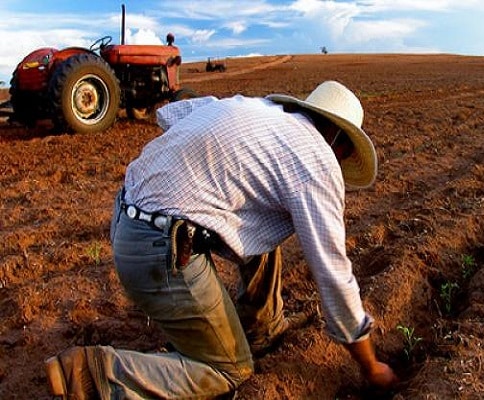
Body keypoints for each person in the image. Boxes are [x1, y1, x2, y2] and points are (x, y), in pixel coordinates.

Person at [45, 80, 399, 399]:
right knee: (230, 370)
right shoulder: (317, 162)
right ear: (340, 143)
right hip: (161, 250)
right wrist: (371, 366)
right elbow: (333, 273)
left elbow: (172, 114)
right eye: (347, 154)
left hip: (126, 221)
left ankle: (262, 327)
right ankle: (95, 375)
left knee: (267, 216)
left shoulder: (256, 108)